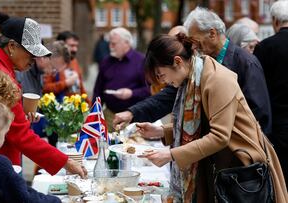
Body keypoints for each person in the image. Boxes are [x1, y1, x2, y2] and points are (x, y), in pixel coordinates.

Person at [139, 33, 287, 203]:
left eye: (160, 74)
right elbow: (199, 125)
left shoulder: (217, 79)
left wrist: (171, 155)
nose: (162, 82)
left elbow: (219, 136)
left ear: (177, 61)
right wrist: (161, 131)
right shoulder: (193, 79)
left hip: (242, 172)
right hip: (223, 168)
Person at [0, 17, 86, 177]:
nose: (34, 59)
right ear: (12, 47)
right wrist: (66, 162)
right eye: (31, 53)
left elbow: (0, 121)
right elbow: (21, 135)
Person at [114, 7, 272, 137]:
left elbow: (258, 116)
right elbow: (168, 96)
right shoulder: (200, 63)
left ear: (212, 34)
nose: (193, 47)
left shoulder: (245, 63)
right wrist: (132, 113)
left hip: (237, 160)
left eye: (194, 40)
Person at [254, 0, 288, 187]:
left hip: (277, 125)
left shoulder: (265, 48)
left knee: (280, 181)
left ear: (275, 21)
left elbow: (258, 89)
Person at [93, 27, 150, 131]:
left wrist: (131, 93)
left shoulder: (141, 61)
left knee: (131, 147)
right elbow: (98, 90)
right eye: (110, 43)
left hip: (133, 118)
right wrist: (94, 114)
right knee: (106, 146)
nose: (110, 47)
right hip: (110, 115)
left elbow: (149, 90)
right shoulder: (106, 61)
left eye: (114, 44)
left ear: (126, 43)